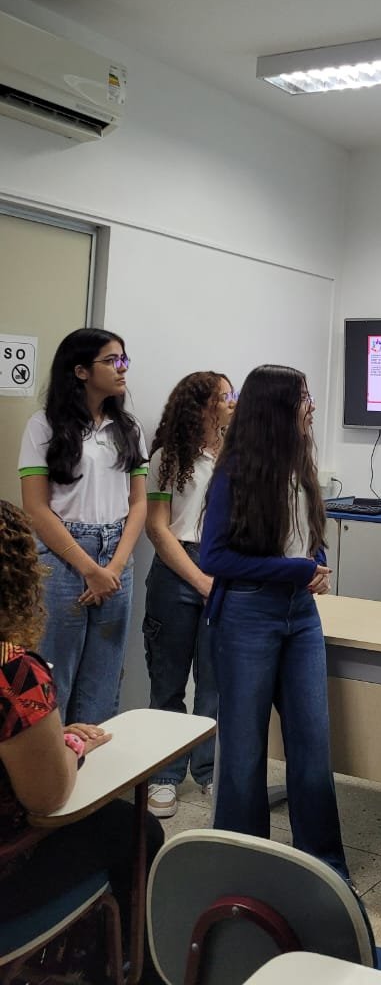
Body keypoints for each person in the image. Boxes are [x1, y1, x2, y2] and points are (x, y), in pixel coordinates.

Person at [0, 498, 164, 983]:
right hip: (8, 871)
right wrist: (69, 748)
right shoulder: (14, 676)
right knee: (136, 830)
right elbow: (48, 798)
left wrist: (43, 736)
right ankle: (127, 970)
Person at [199, 364, 347, 877]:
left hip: (300, 615)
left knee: (313, 746)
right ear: (277, 408)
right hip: (247, 613)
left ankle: (325, 868)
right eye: (303, 397)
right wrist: (296, 569)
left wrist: (315, 562)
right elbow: (214, 558)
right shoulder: (235, 471)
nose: (312, 406)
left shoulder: (300, 464)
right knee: (243, 752)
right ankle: (245, 868)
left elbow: (306, 537)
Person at [18, 328, 148, 723]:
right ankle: (52, 759)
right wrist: (90, 569)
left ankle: (94, 758)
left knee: (104, 673)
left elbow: (138, 503)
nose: (122, 368)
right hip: (63, 556)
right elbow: (36, 509)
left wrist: (114, 567)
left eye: (124, 360)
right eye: (112, 361)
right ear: (80, 371)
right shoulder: (43, 426)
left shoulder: (128, 428)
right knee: (55, 670)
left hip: (116, 556)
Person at [142, 370, 236, 818]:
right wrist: (199, 581)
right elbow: (157, 528)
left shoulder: (237, 454)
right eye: (225, 396)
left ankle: (210, 770)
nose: (232, 402)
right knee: (168, 681)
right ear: (202, 406)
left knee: (215, 684)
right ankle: (164, 776)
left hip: (224, 567)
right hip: (177, 570)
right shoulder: (167, 457)